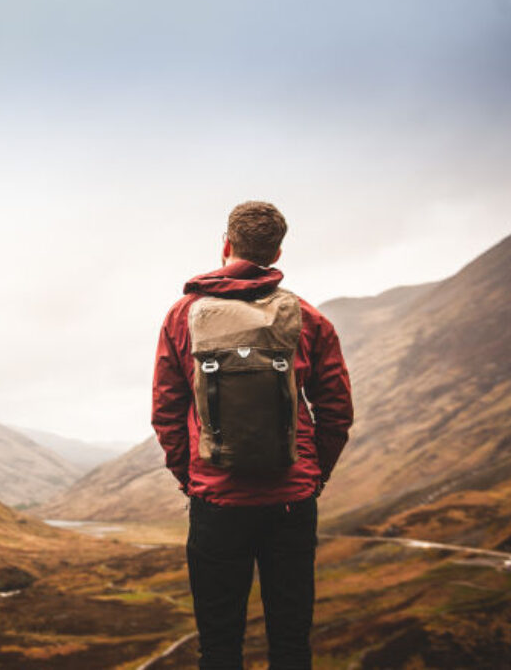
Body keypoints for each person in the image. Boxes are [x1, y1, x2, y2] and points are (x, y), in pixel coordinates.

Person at [151, 201, 353, 669]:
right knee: (290, 643)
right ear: (277, 253)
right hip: (291, 503)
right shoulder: (308, 318)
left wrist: (194, 479)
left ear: (226, 245)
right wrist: (312, 476)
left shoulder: (183, 316)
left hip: (216, 503)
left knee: (219, 647)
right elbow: (336, 412)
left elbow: (166, 412)